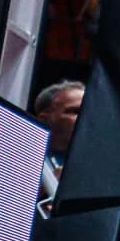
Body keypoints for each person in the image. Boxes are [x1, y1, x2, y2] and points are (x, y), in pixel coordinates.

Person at [32, 79, 85, 214]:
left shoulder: (94, 160)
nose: (86, 117)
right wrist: (42, 190)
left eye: (88, 111)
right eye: (76, 111)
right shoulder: (23, 155)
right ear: (45, 119)